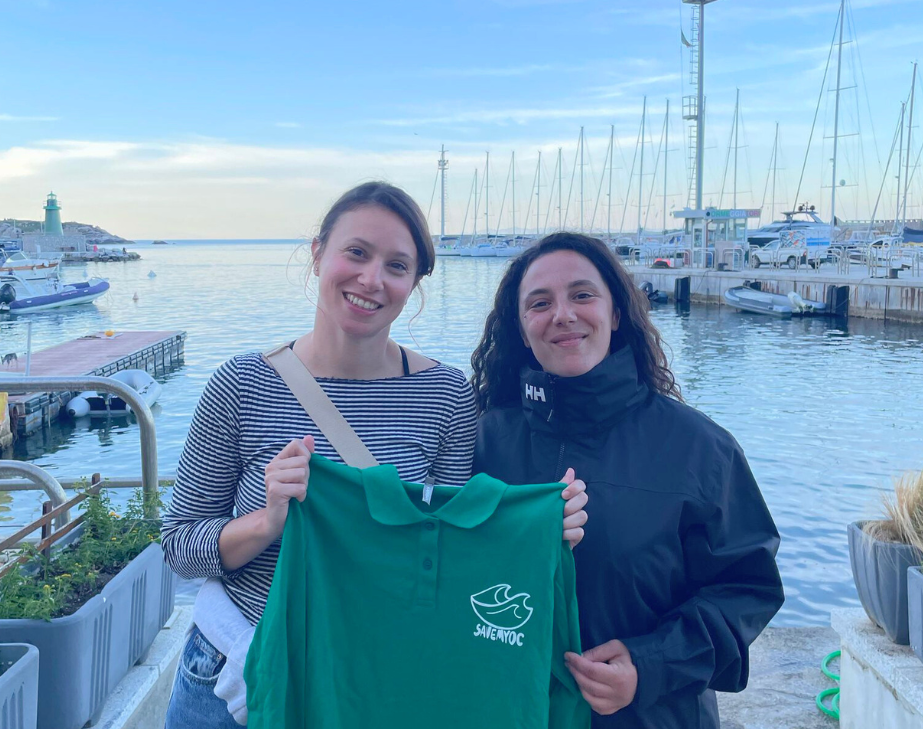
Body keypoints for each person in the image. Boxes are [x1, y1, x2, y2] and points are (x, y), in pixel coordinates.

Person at [161, 183, 587, 729]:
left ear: (414, 283)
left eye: (397, 265)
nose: (371, 280)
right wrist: (267, 522)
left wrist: (544, 524)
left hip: (362, 678)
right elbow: (178, 546)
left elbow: (447, 551)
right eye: (356, 253)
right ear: (318, 254)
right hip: (231, 669)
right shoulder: (242, 385)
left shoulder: (449, 397)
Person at [470, 232, 783, 728]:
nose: (563, 315)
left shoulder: (700, 449)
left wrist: (650, 664)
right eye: (540, 303)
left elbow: (748, 588)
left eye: (582, 295)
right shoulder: (480, 443)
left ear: (616, 314)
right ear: (522, 327)